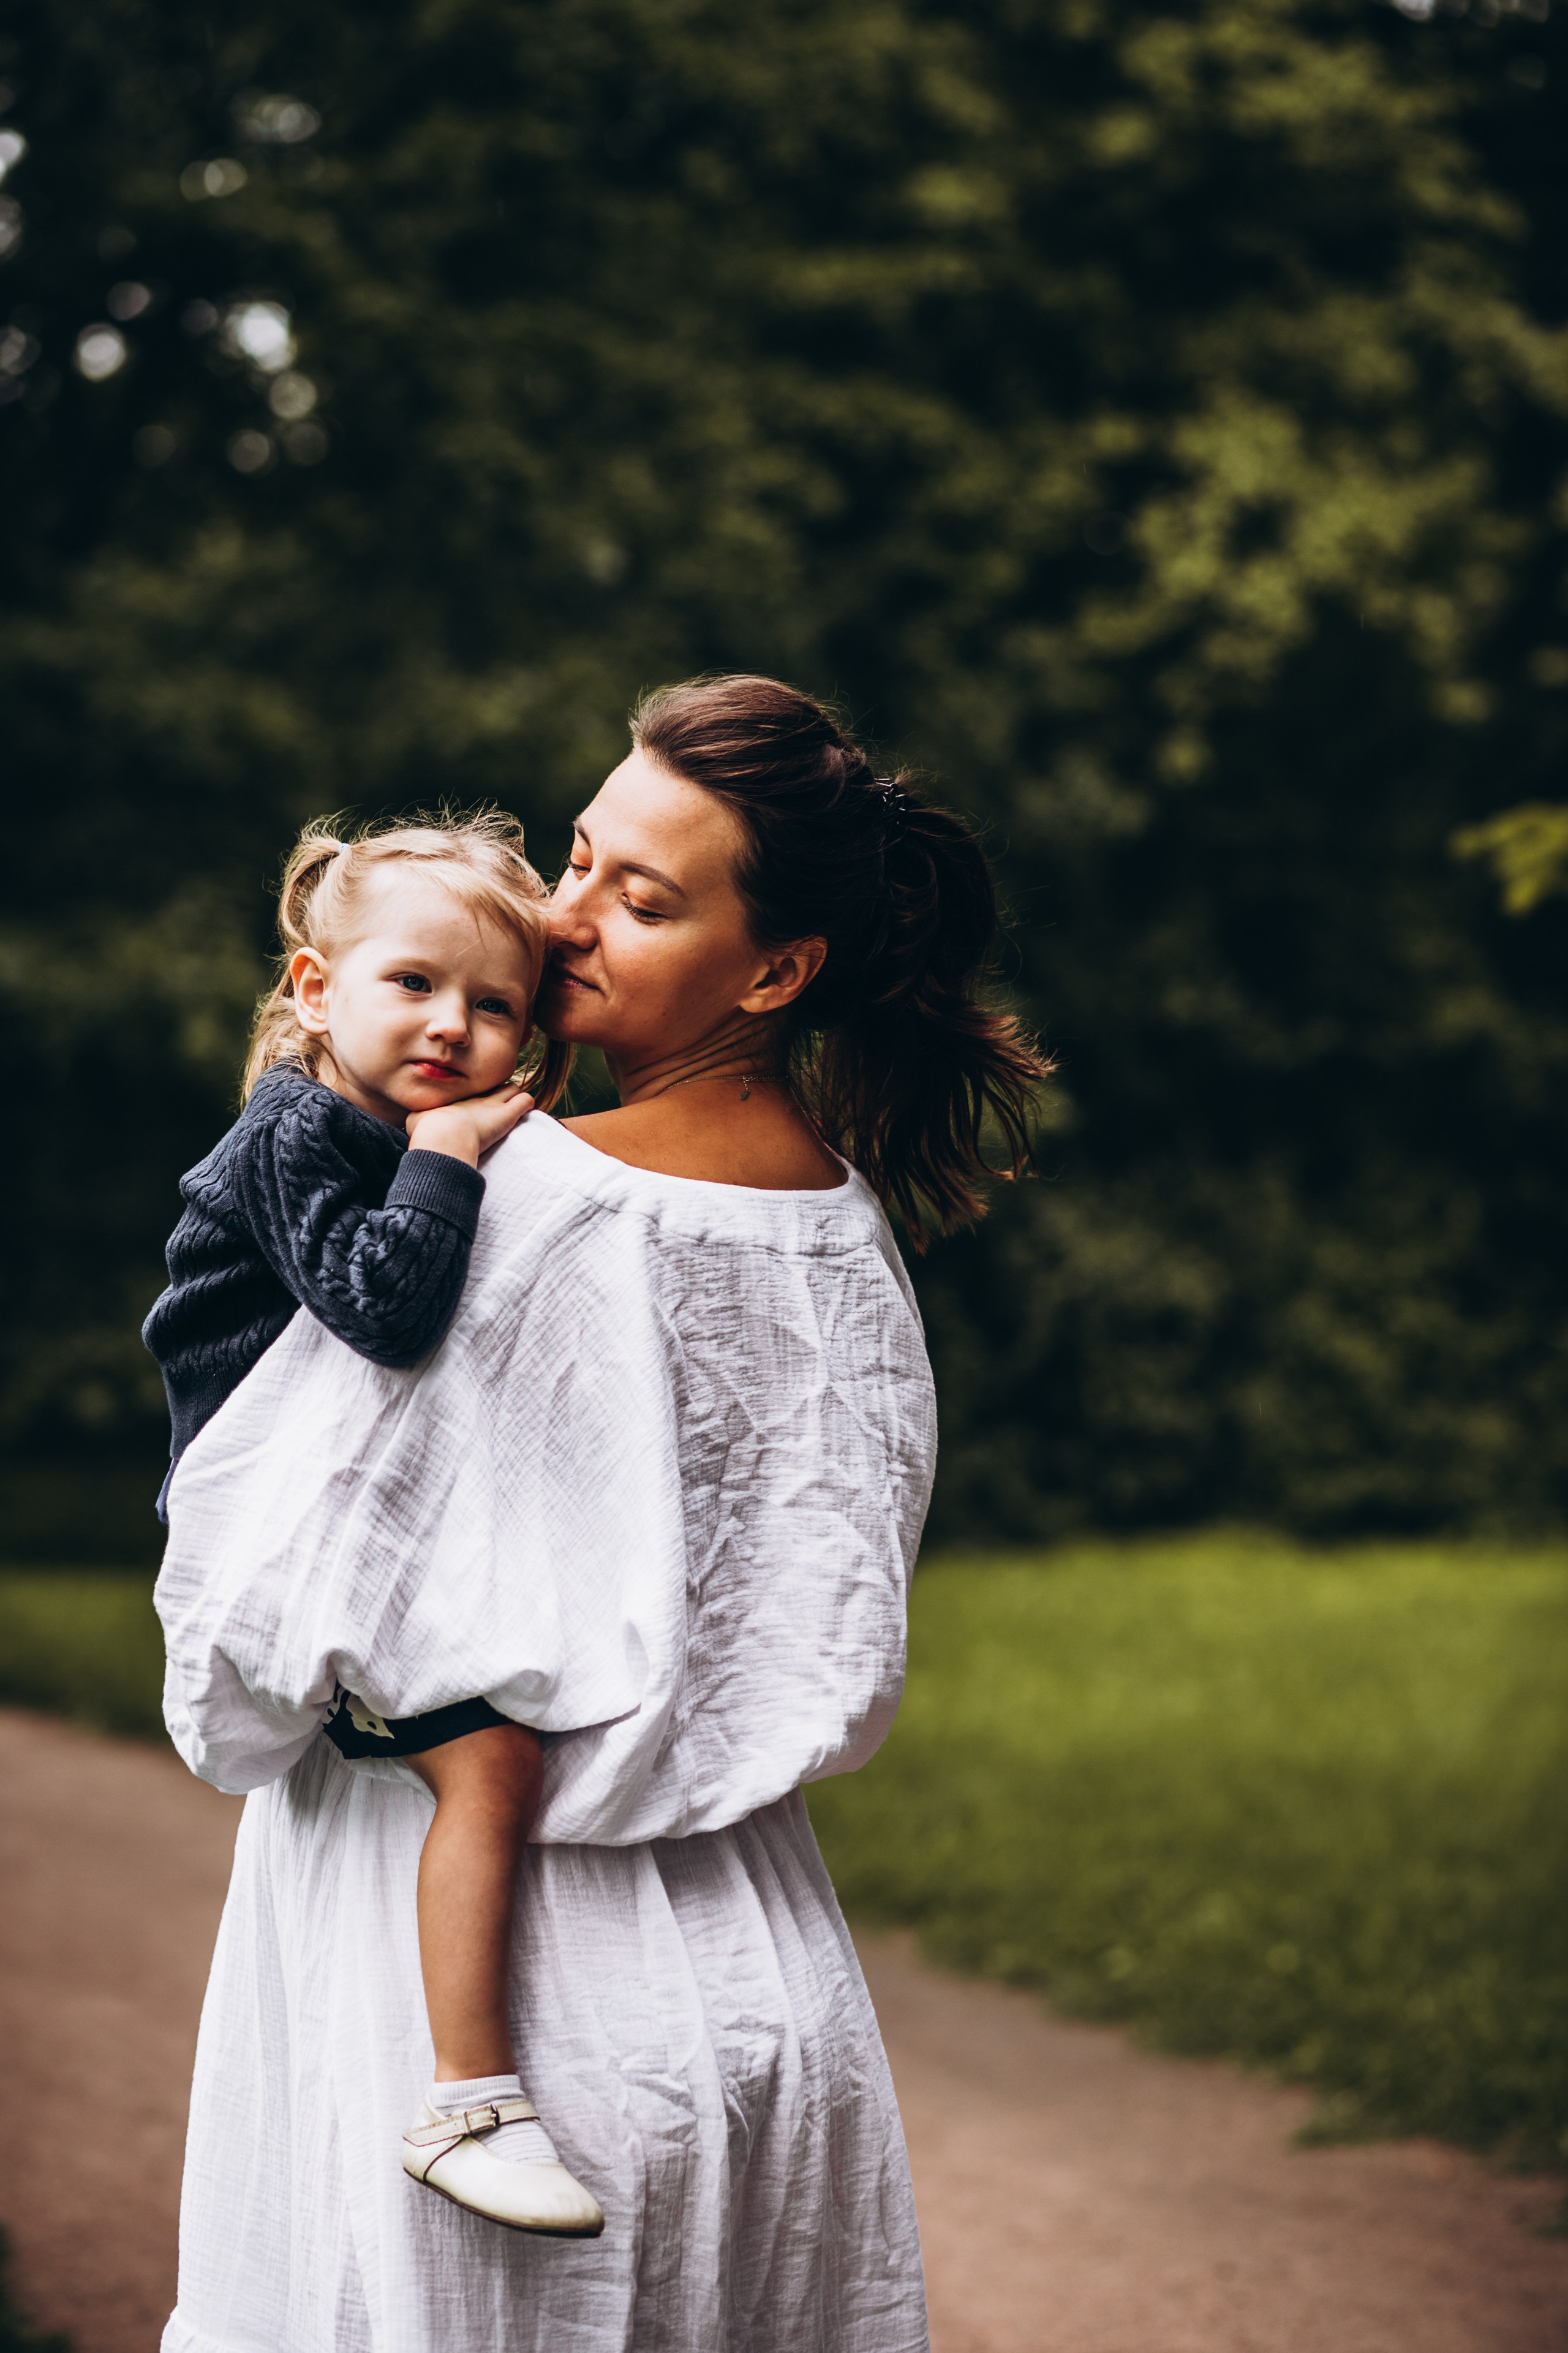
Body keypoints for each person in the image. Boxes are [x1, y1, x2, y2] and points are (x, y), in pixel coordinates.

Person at [155, 674, 1049, 2353]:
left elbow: (264, 1626)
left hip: (484, 2034)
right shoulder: (851, 1242)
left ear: (778, 971)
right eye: (578, 855)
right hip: (762, 2001)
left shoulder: (511, 1203)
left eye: (639, 899)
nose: (561, 919)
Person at [145, 812, 603, 2236]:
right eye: (412, 983)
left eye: (494, 1008)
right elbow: (386, 1308)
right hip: (267, 1528)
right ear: (309, 985)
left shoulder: (379, 1126)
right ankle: (467, 2097)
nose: (452, 1027)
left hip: (347, 1503)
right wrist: (453, 1155)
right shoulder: (294, 1131)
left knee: (506, 1746)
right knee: (492, 1761)